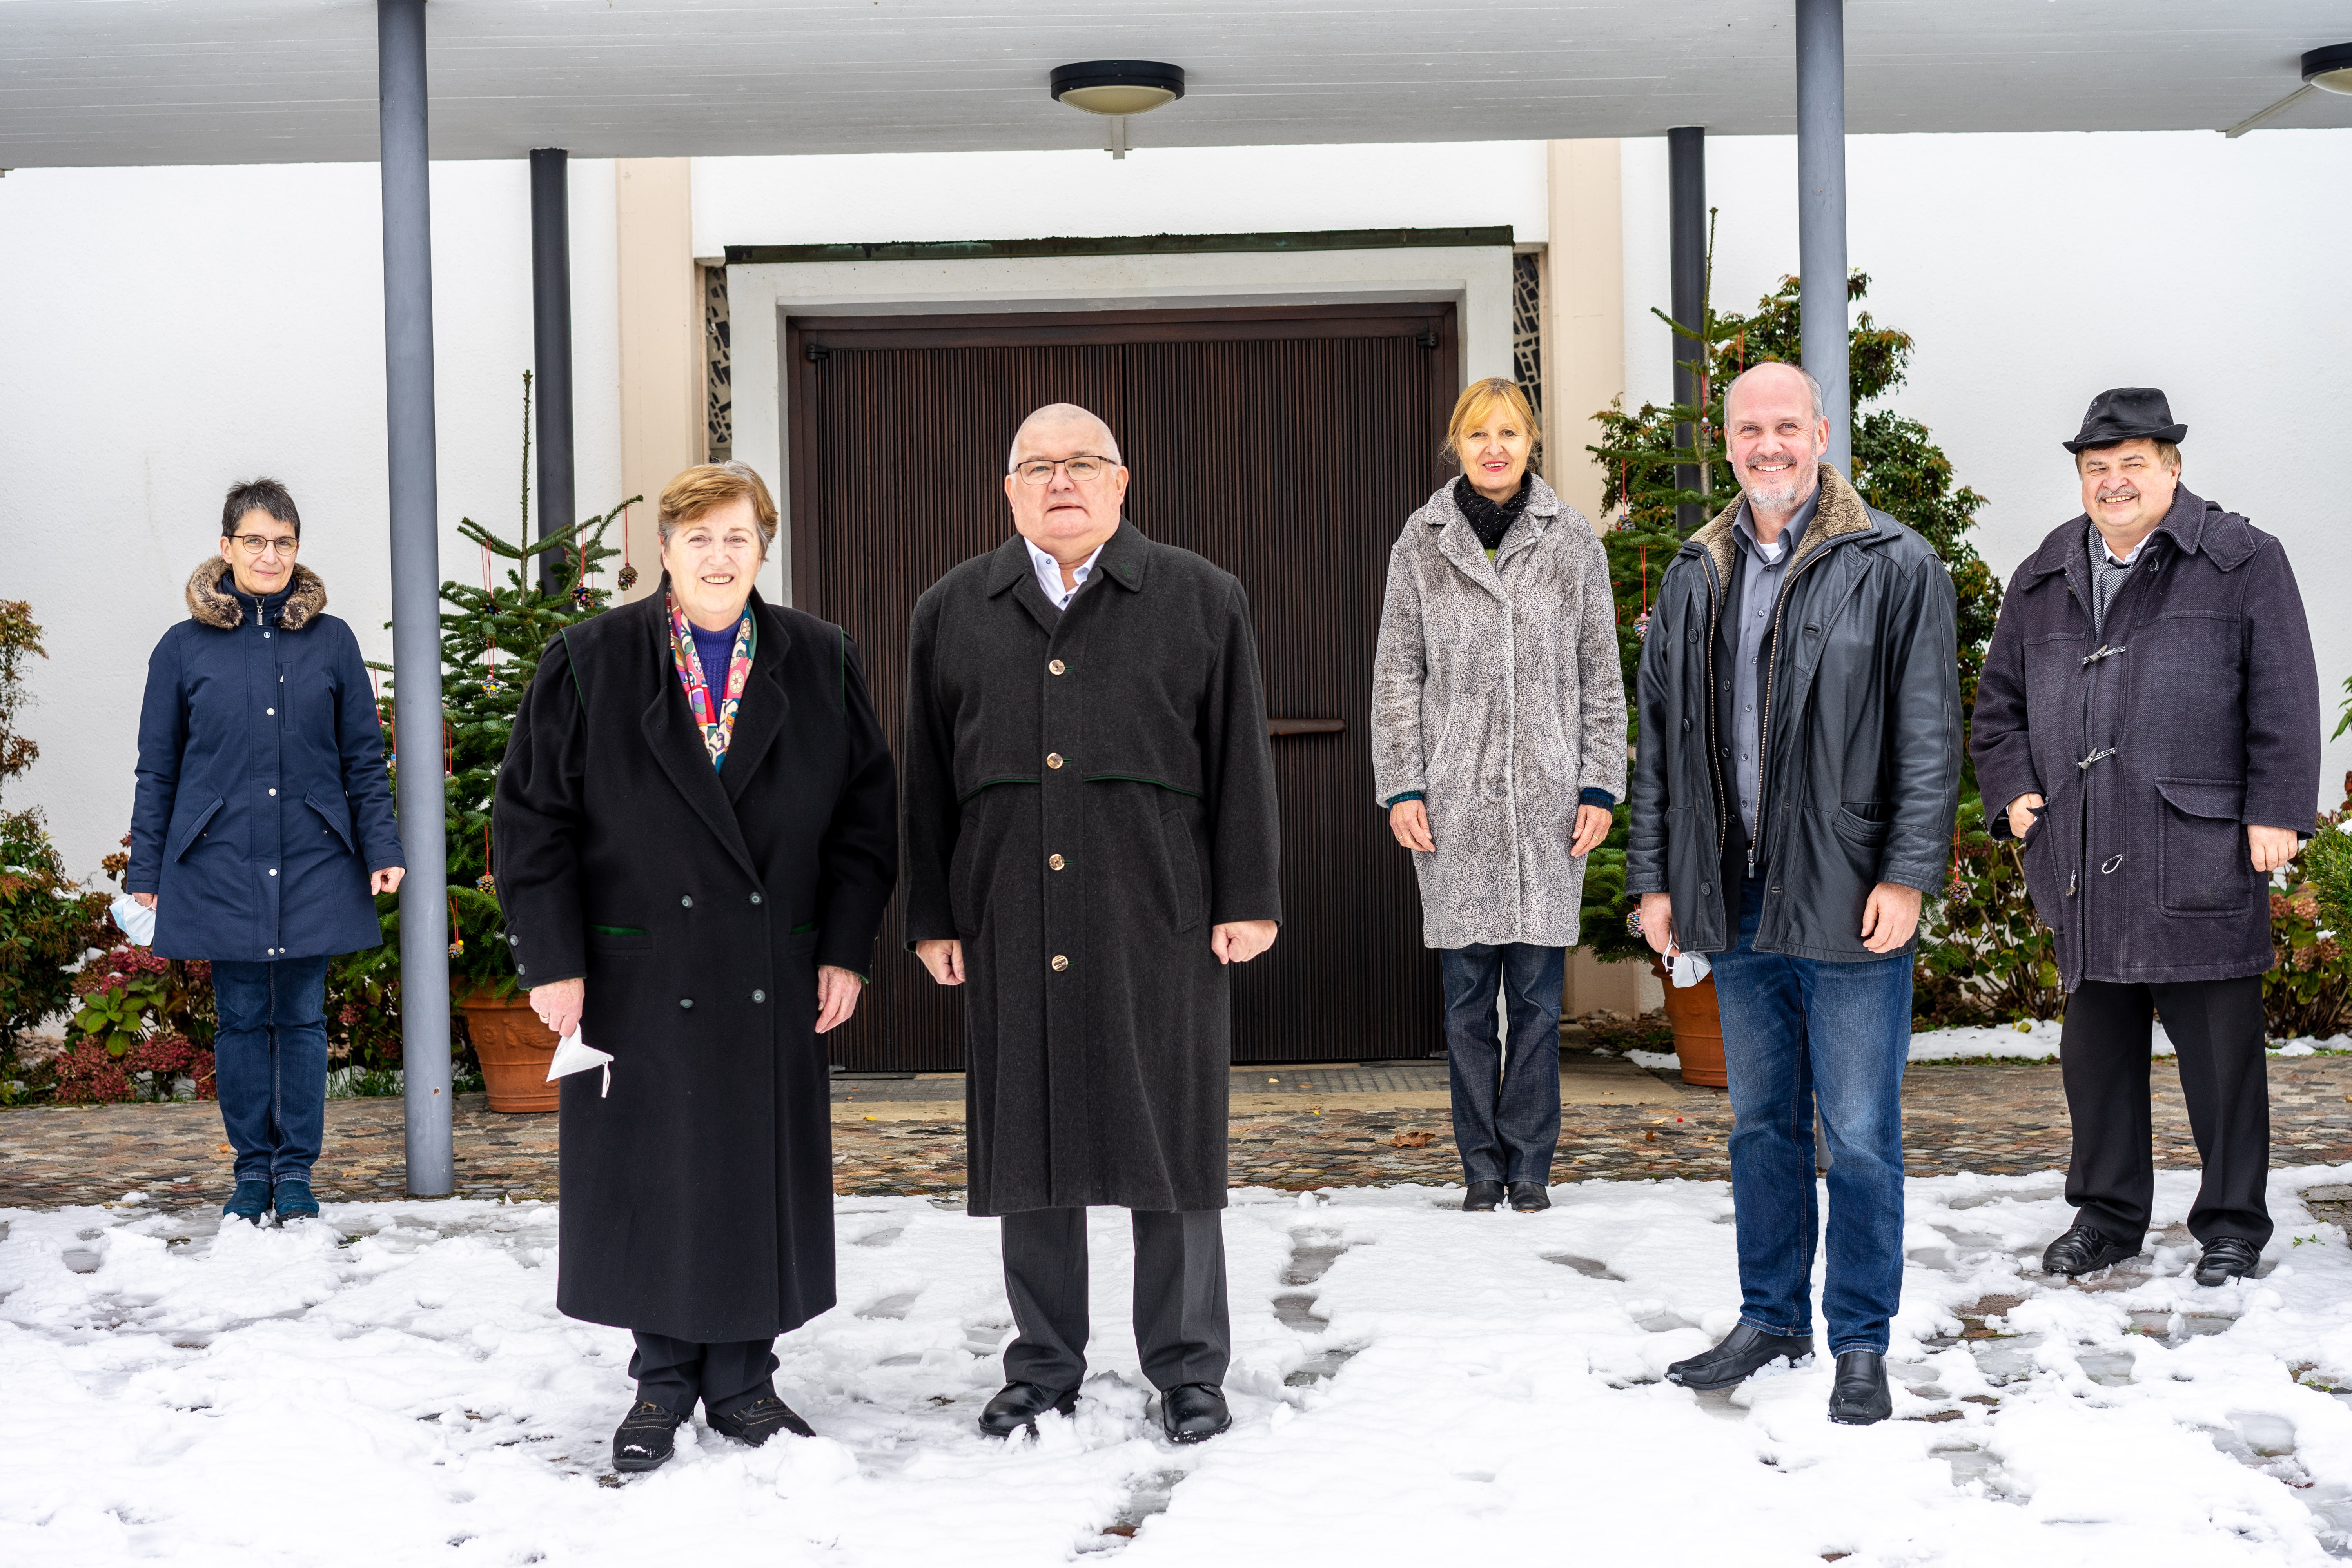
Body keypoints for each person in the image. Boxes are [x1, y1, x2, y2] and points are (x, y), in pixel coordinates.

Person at [494, 462, 897, 1472]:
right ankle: (663, 1379)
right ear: (663, 550)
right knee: (653, 1170)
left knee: (752, 1167)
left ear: (765, 547)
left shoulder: (818, 656)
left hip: (772, 963)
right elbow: (532, 821)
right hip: (635, 971)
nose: (720, 556)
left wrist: (846, 945)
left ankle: (746, 1381)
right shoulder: (590, 659)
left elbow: (865, 820)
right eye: (699, 537)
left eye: (739, 536)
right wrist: (553, 961)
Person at [900, 403, 1282, 1445]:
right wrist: (933, 911)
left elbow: (1241, 759)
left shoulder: (1202, 598)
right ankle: (1044, 1365)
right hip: (1007, 909)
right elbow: (926, 782)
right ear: (1009, 488)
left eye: (1083, 464)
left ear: (1123, 481)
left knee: (1173, 1138)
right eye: (1038, 466)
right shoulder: (952, 610)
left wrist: (1248, 896)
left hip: (1159, 908)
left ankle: (1189, 1367)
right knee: (1029, 1138)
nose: (1061, 481)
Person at [1627, 361, 1960, 1426]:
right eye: (1747, 430)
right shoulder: (1697, 568)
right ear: (1725, 443)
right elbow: (1663, 745)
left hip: (1853, 890)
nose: (1767, 445)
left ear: (1821, 432)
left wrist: (1909, 873)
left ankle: (1860, 1338)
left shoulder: (1895, 564)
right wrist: (1657, 879)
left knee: (1859, 1130)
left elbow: (1929, 738)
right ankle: (1772, 1316)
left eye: (1786, 426)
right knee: (1761, 1126)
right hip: (1734, 896)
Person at [1971, 388, 2319, 1289]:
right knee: (2097, 1057)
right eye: (2097, 468)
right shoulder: (2045, 571)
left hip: (2197, 850)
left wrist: (2279, 808)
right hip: (2081, 856)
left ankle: (2234, 1221)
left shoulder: (2243, 559)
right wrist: (2013, 793)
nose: (2114, 482)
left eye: (2133, 463)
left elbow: (2285, 694)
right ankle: (2108, 1213)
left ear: (2172, 466)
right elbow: (1997, 710)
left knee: (2222, 1057)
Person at [1370, 377, 1624, 1214]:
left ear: (1531, 441)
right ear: (1458, 443)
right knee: (1469, 1003)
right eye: (1480, 433)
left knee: (1542, 1006)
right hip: (1456, 805)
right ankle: (1481, 1164)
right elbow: (1398, 674)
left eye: (1510, 432)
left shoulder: (1572, 538)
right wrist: (1404, 783)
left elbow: (1601, 674)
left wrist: (1599, 782)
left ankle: (1532, 1164)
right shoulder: (1423, 541)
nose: (1495, 447)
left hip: (1551, 804)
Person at [129, 478, 405, 1227]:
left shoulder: (333, 640)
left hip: (314, 856)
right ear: (226, 548)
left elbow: (362, 761)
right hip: (219, 862)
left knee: (305, 1018)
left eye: (283, 541)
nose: (270, 554)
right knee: (244, 1018)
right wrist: (145, 872)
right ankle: (253, 1173)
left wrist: (382, 847)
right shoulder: (183, 649)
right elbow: (158, 769)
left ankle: (298, 1174)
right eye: (255, 540)